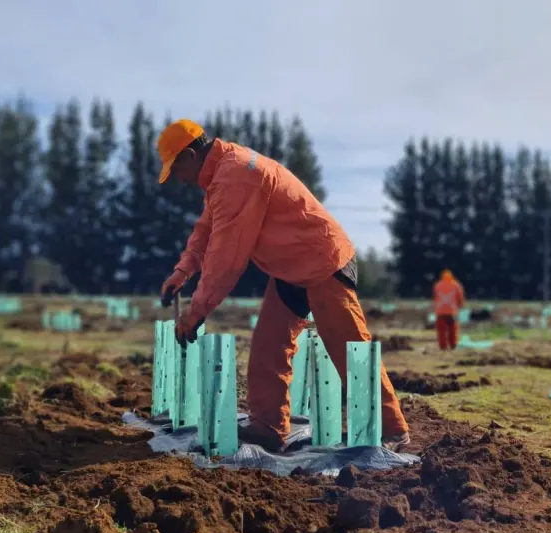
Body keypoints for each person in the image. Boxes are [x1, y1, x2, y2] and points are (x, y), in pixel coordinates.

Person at [155, 119, 410, 453]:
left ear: (189, 155)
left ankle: (392, 430)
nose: (179, 179)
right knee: (268, 348)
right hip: (291, 269)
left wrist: (196, 312)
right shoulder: (222, 174)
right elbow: (206, 230)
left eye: (176, 170)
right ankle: (268, 427)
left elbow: (226, 258)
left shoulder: (235, 175)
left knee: (350, 351)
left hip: (322, 261)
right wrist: (182, 271)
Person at [432, 270, 465, 350]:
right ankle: (453, 345)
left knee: (441, 331)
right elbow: (460, 297)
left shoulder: (437, 285)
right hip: (452, 311)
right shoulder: (456, 285)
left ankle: (443, 347)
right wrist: (460, 306)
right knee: (452, 330)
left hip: (440, 312)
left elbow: (435, 297)